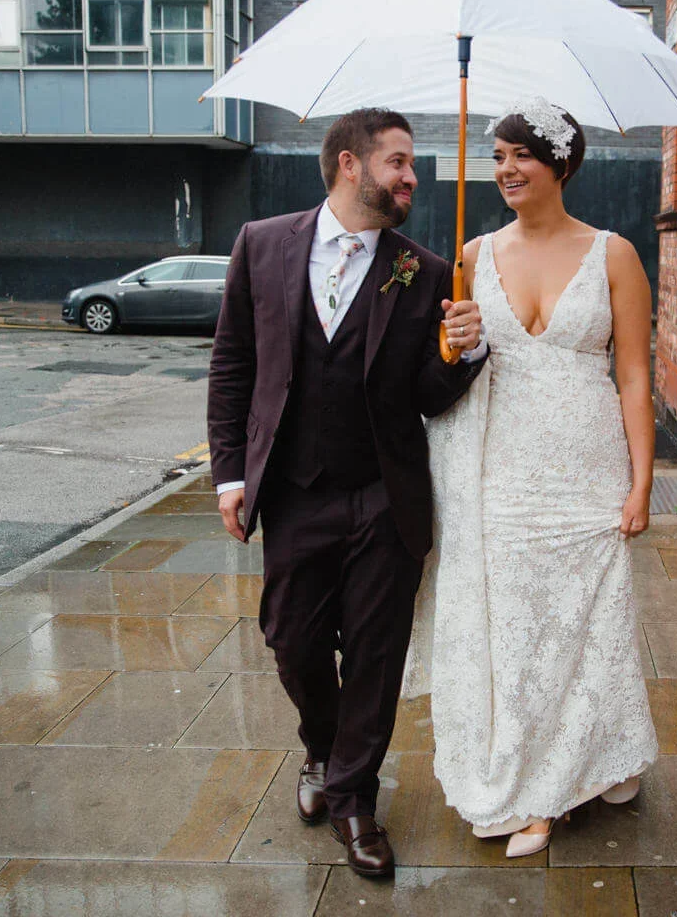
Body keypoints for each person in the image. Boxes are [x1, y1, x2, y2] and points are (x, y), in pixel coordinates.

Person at [206, 107, 488, 879]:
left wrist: (463, 350)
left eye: (412, 164)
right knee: (292, 642)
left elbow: (430, 396)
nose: (411, 176)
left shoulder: (426, 270)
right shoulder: (262, 245)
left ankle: (355, 799)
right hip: (294, 491)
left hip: (384, 494)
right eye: (397, 161)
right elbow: (233, 365)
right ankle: (322, 751)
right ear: (349, 164)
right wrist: (230, 473)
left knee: (374, 653)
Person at [410, 97, 659, 859]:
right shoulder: (474, 255)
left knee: (587, 623)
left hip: (586, 468)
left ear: (561, 164)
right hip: (500, 470)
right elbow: (441, 374)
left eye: (521, 155)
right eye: (498, 157)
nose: (507, 170)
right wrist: (455, 344)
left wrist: (643, 483)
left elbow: (636, 378)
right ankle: (533, 785)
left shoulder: (614, 253)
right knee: (518, 632)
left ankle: (577, 769)